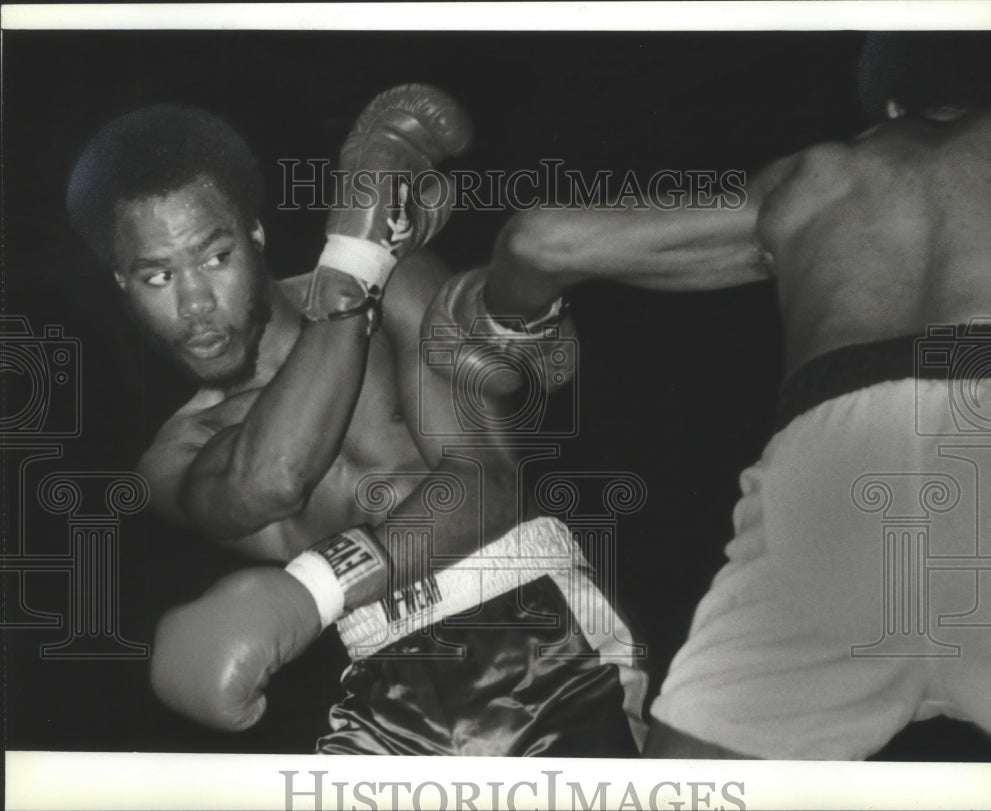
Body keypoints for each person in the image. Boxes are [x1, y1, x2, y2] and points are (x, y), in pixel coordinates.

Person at [434, 32, 991, 759]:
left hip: (835, 461)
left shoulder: (816, 177)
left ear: (887, 108)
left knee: (694, 784)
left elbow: (540, 241)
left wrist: (513, 325)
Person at [66, 88, 646, 756]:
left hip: (527, 628)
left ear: (255, 236)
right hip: (377, 675)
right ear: (121, 282)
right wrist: (356, 265)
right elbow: (270, 481)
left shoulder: (400, 282)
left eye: (215, 256)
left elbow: (486, 486)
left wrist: (314, 588)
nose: (195, 302)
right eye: (158, 275)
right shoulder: (170, 459)